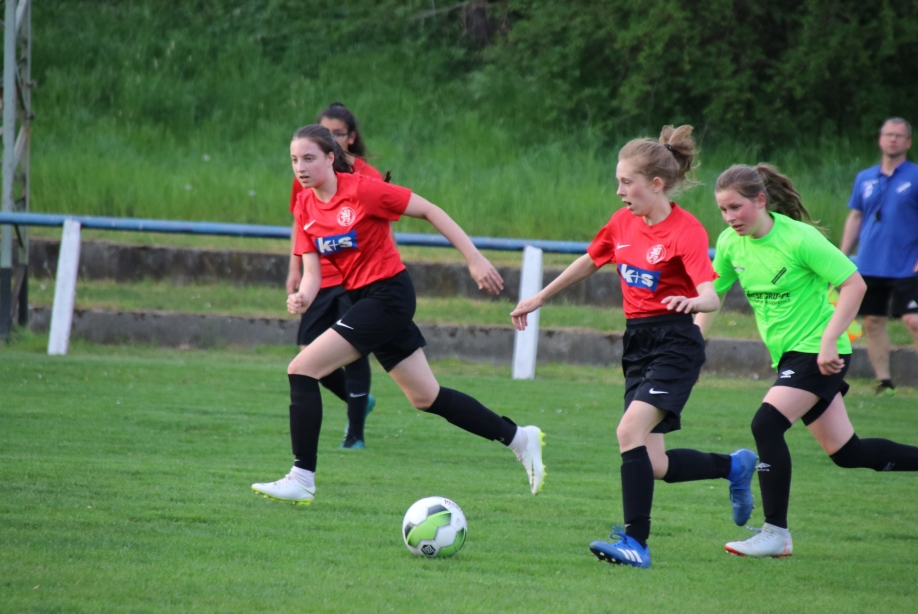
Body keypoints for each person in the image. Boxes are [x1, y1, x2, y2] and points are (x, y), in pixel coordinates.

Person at [696, 164, 918, 558]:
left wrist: (830, 340)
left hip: (819, 352)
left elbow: (854, 284)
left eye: (736, 207)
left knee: (766, 424)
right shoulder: (731, 243)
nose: (729, 217)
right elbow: (714, 295)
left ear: (760, 200)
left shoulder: (799, 238)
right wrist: (694, 341)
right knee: (848, 453)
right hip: (790, 356)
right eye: (723, 210)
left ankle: (776, 532)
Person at [252, 124, 545, 504]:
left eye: (309, 158)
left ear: (330, 157)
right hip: (364, 299)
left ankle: (302, 477)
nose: (300, 167)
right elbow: (312, 273)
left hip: (389, 295)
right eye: (294, 160)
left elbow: (430, 210)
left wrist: (474, 259)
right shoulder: (305, 206)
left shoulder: (363, 190)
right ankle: (519, 438)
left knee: (301, 369)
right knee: (426, 396)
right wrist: (302, 297)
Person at [510, 125, 759, 569]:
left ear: (655, 184)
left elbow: (710, 294)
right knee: (655, 463)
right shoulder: (622, 222)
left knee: (628, 434)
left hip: (676, 342)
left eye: (626, 182)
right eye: (619, 182)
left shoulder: (686, 230)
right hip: (638, 341)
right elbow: (591, 259)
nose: (619, 191)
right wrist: (540, 297)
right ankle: (734, 467)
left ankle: (636, 544)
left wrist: (692, 302)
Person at [285, 103, 382, 450]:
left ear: (350, 138)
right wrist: (295, 269)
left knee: (353, 352)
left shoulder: (366, 178)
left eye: (337, 133)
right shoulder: (307, 175)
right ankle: (359, 401)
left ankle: (355, 433)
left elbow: (382, 227)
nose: (332, 138)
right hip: (319, 278)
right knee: (307, 355)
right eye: (326, 132)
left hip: (353, 278)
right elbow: (301, 225)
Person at [840, 118, 918, 399]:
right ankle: (884, 383)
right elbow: (856, 216)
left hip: (906, 263)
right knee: (872, 321)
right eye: (888, 135)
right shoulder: (865, 177)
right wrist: (842, 255)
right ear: (880, 139)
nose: (893, 140)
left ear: (908, 142)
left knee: (913, 320)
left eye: (899, 136)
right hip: (869, 262)